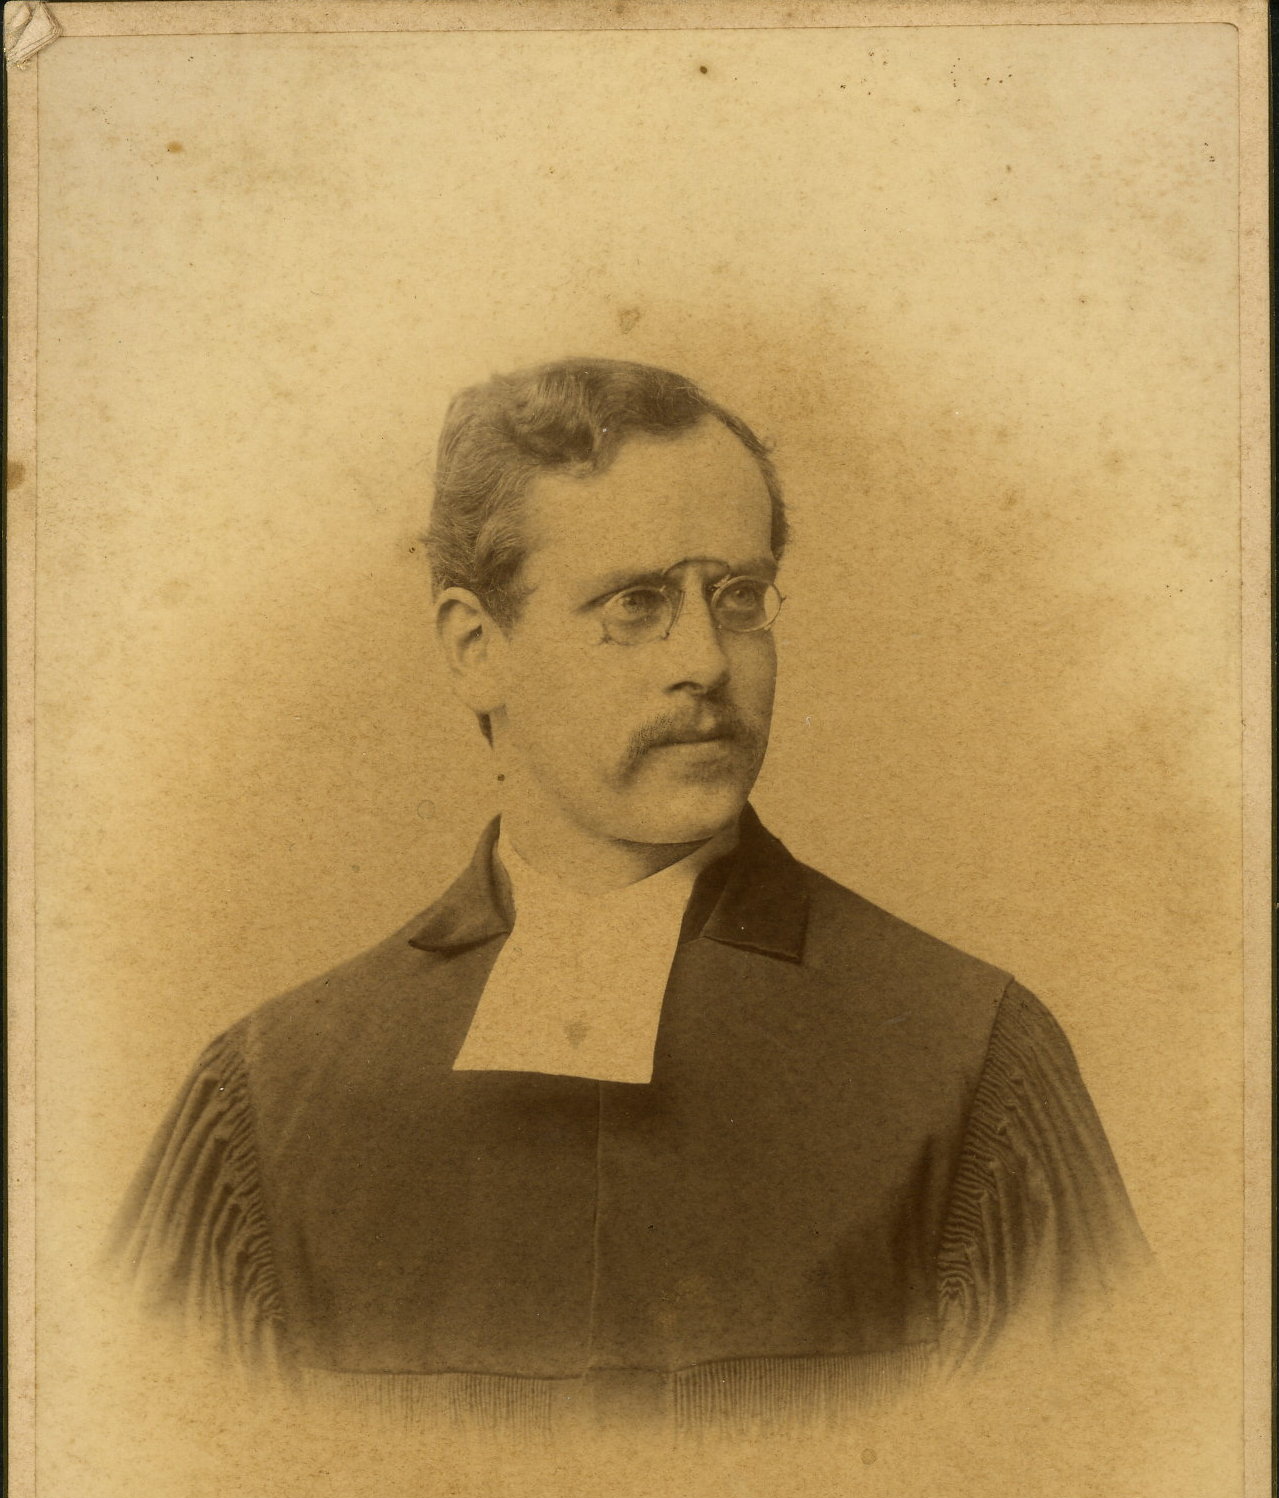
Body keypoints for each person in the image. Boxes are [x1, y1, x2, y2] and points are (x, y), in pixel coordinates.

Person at [112, 357, 1148, 1427]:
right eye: (636, 603)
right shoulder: (270, 1098)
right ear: (475, 649)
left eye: (738, 598)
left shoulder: (968, 1059)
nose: (705, 659)